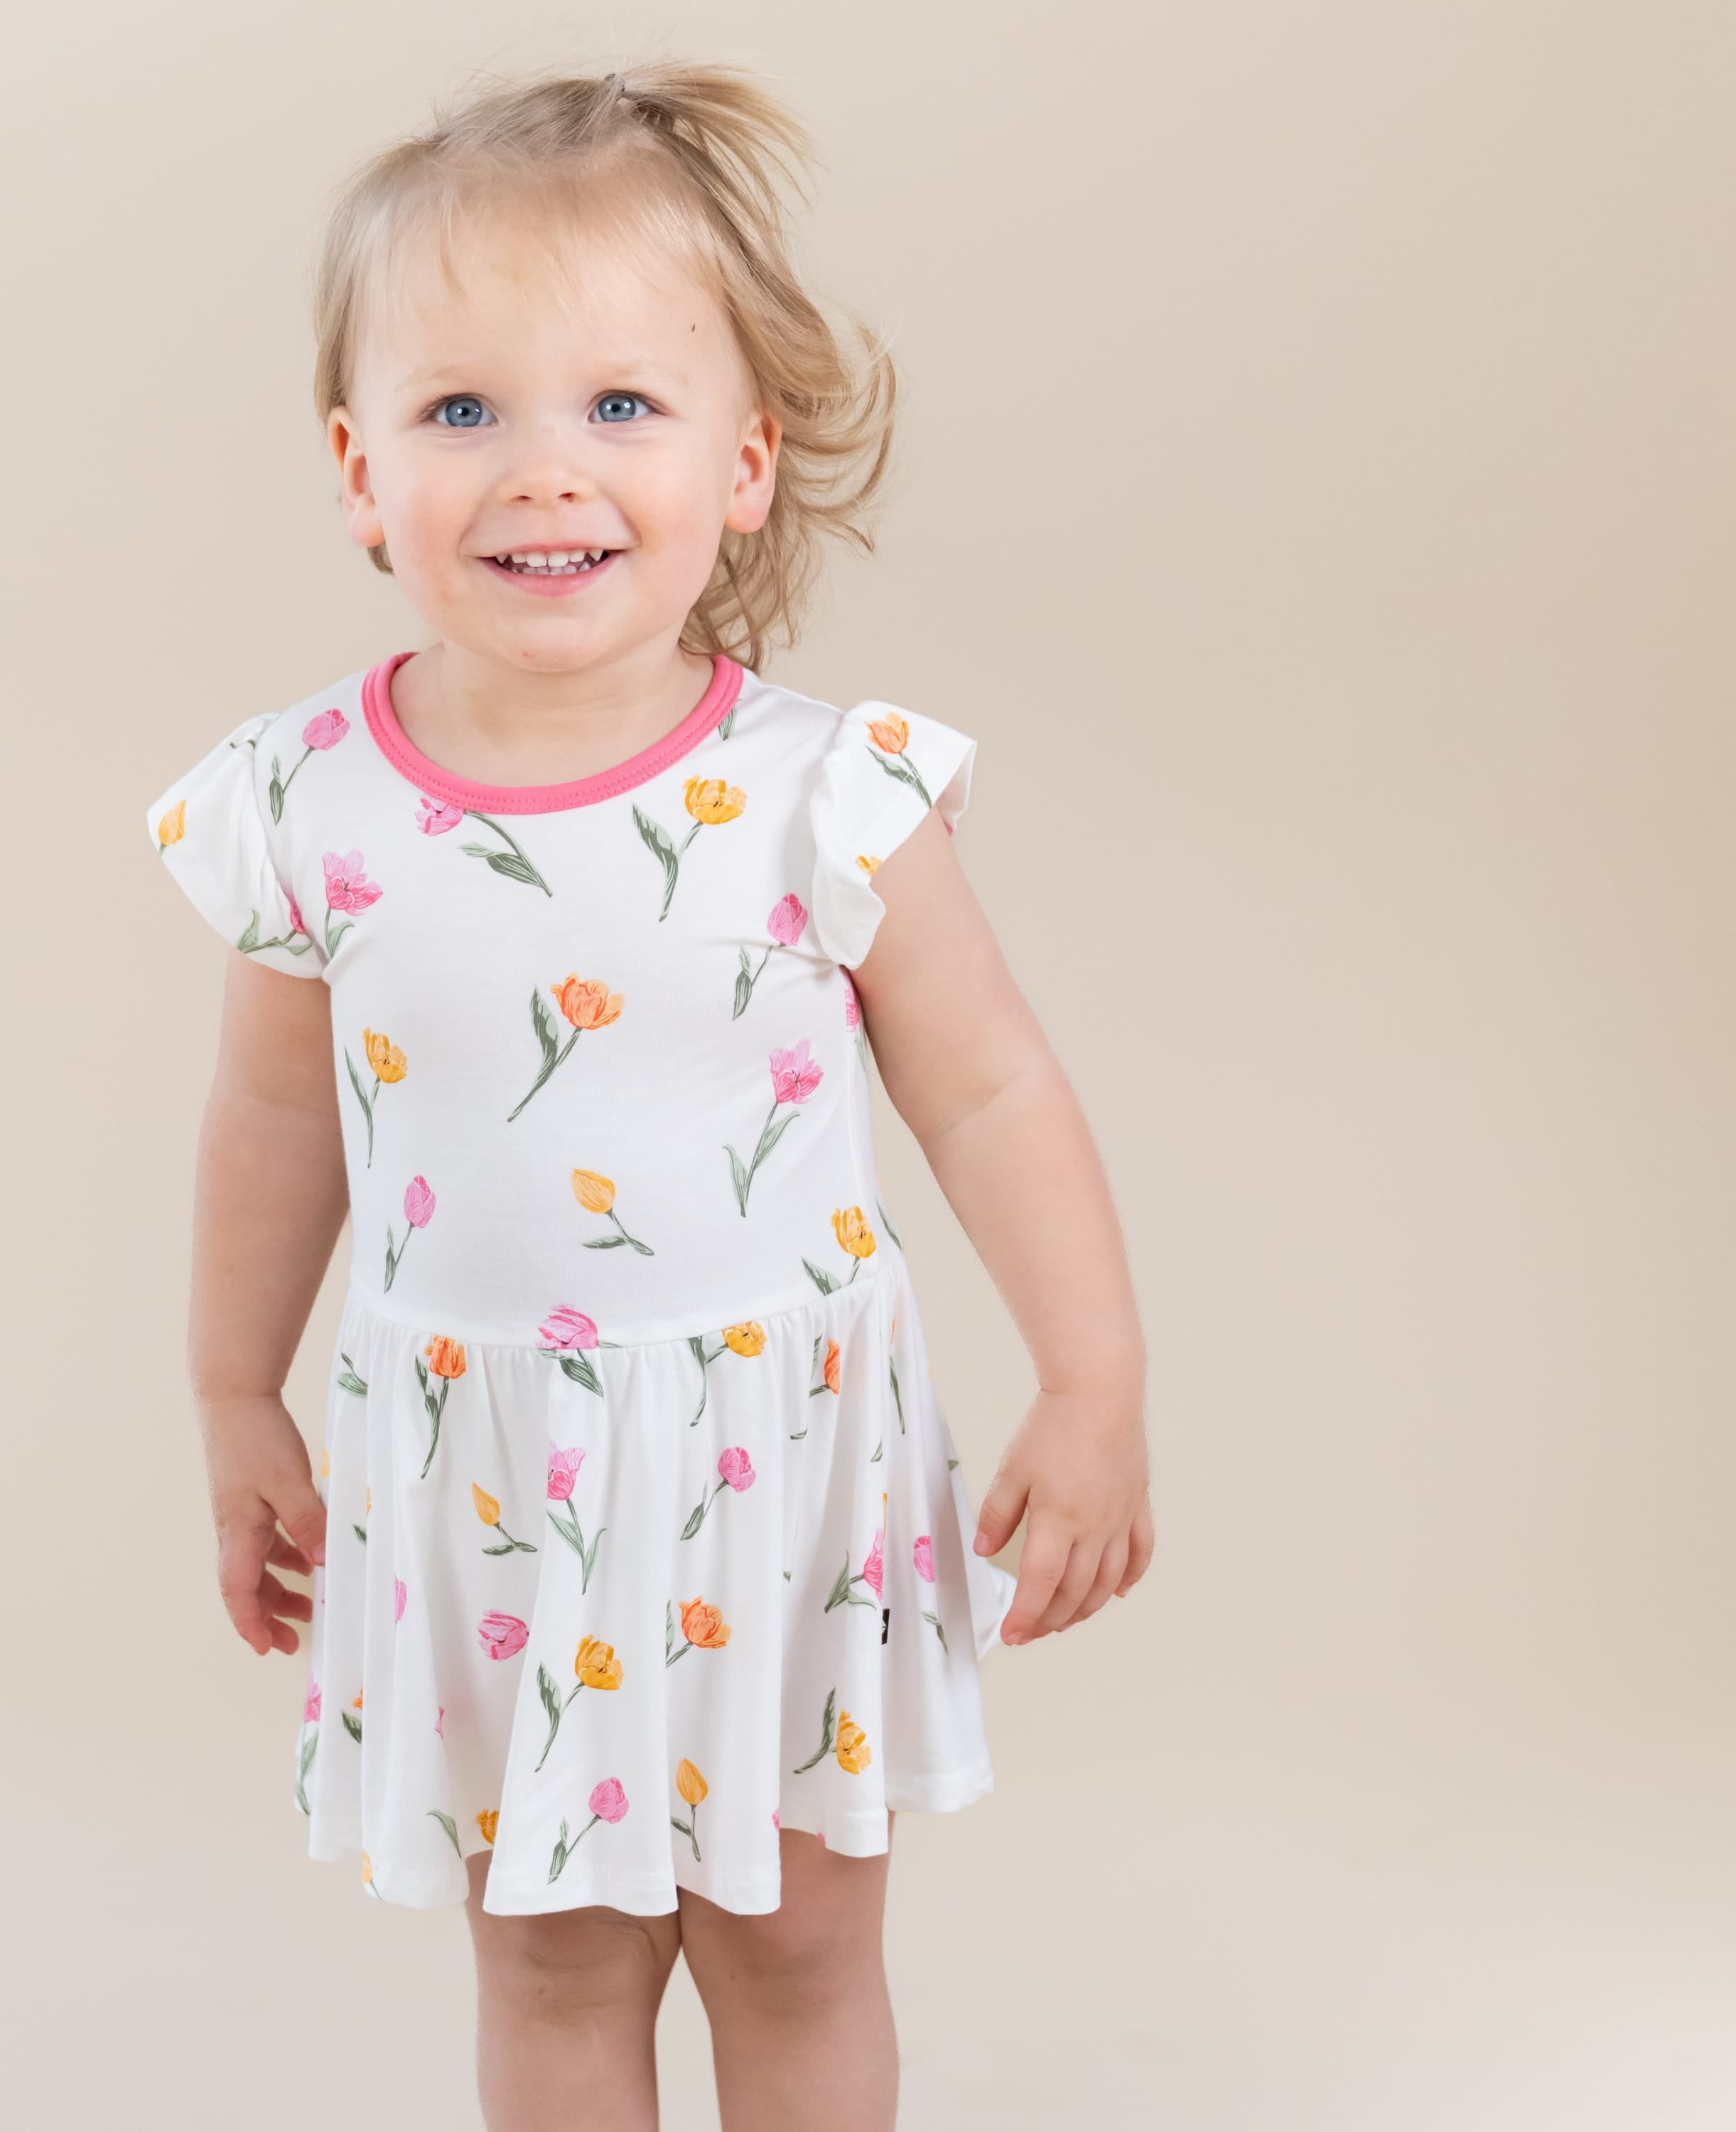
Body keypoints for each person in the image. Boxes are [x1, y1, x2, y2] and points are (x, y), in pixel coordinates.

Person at [141, 60, 1152, 2132]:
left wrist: (1097, 1377)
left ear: (744, 460)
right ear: (356, 470)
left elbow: (987, 1090)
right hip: (485, 1471)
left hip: (776, 1466)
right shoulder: (306, 805)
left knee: (796, 1941)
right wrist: (234, 1393)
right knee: (551, 1955)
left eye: (621, 404)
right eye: (461, 411)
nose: (545, 473)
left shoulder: (822, 797)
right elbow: (276, 1127)